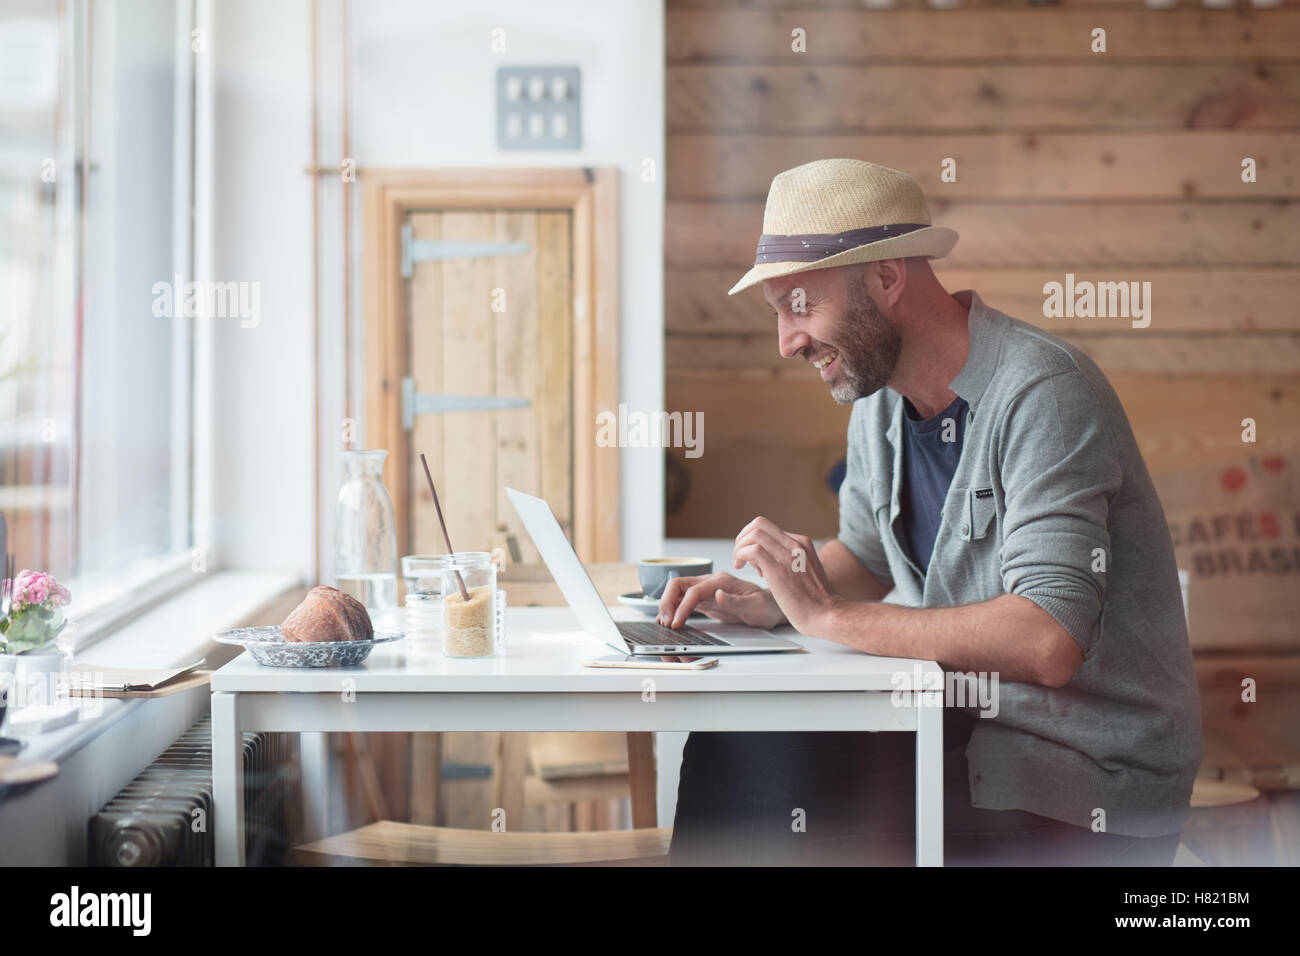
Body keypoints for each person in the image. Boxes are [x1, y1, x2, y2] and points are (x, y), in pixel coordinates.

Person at [657, 159, 1202, 866]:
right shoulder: (877, 396)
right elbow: (867, 556)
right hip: (957, 730)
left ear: (887, 279)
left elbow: (1048, 638)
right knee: (738, 743)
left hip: (1074, 771)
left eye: (800, 305)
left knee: (781, 780)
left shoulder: (1045, 393)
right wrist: (778, 600)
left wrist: (829, 618)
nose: (787, 342)